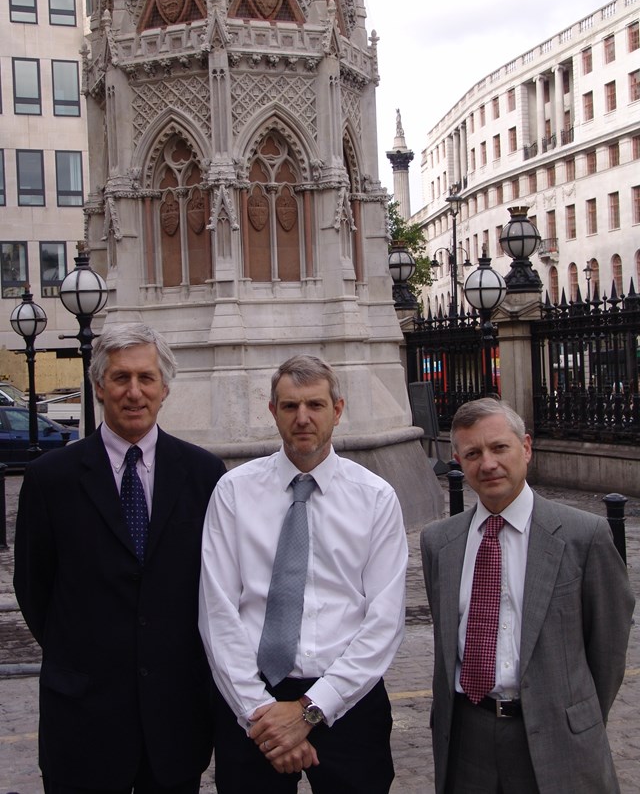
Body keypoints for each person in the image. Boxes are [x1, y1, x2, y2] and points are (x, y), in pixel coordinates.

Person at [14, 323, 227, 794]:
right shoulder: (51, 479)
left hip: (174, 720)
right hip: (82, 718)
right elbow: (33, 587)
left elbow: (217, 588)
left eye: (146, 378)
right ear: (98, 386)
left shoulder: (205, 474)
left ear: (165, 387)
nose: (134, 392)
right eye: (120, 378)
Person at [198, 354, 408, 793]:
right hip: (254, 704)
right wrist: (262, 715)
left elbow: (384, 622)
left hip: (348, 701)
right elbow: (218, 613)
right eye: (290, 406)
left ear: (338, 410)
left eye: (315, 405)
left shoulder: (376, 499)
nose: (303, 418)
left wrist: (311, 710)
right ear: (272, 411)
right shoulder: (233, 492)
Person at [420, 397, 635, 794]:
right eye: (472, 453)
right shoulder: (439, 542)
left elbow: (608, 650)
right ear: (458, 461)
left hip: (559, 741)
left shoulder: (583, 535)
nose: (487, 464)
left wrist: (573, 715)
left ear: (526, 448)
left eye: (499, 447)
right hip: (468, 740)